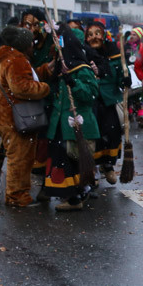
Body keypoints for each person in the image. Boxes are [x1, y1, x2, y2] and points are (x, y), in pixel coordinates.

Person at [0, 27, 52, 208]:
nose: (33, 46)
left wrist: (44, 70)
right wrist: (45, 88)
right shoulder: (16, 60)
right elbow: (21, 87)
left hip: (4, 113)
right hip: (13, 116)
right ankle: (16, 195)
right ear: (24, 45)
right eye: (31, 43)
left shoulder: (10, 58)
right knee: (20, 157)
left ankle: (19, 192)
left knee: (20, 155)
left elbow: (24, 77)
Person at [40, 28, 99, 211]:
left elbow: (90, 95)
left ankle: (76, 196)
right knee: (61, 159)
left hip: (76, 123)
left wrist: (73, 82)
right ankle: (71, 194)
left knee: (73, 159)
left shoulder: (82, 69)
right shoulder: (62, 67)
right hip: (60, 123)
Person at [85, 20, 125, 184]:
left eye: (97, 33)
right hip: (91, 101)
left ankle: (108, 165)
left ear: (103, 35)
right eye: (90, 34)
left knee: (112, 133)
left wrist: (125, 77)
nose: (94, 37)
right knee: (94, 136)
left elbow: (120, 74)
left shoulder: (113, 52)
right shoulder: (84, 54)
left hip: (108, 100)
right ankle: (92, 169)